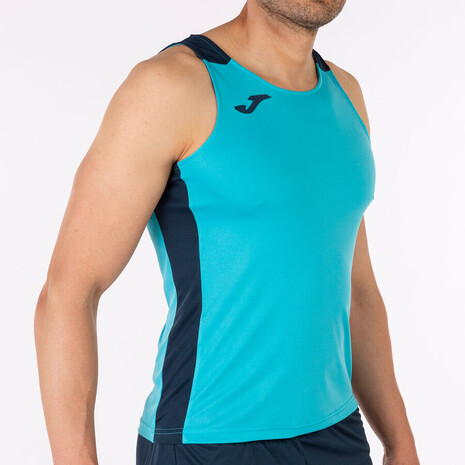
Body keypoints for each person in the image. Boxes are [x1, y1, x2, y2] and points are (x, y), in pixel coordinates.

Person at [34, 1, 421, 464]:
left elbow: (357, 290)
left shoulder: (346, 96)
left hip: (338, 435)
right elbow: (69, 293)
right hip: (208, 443)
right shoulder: (172, 85)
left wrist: (400, 441)